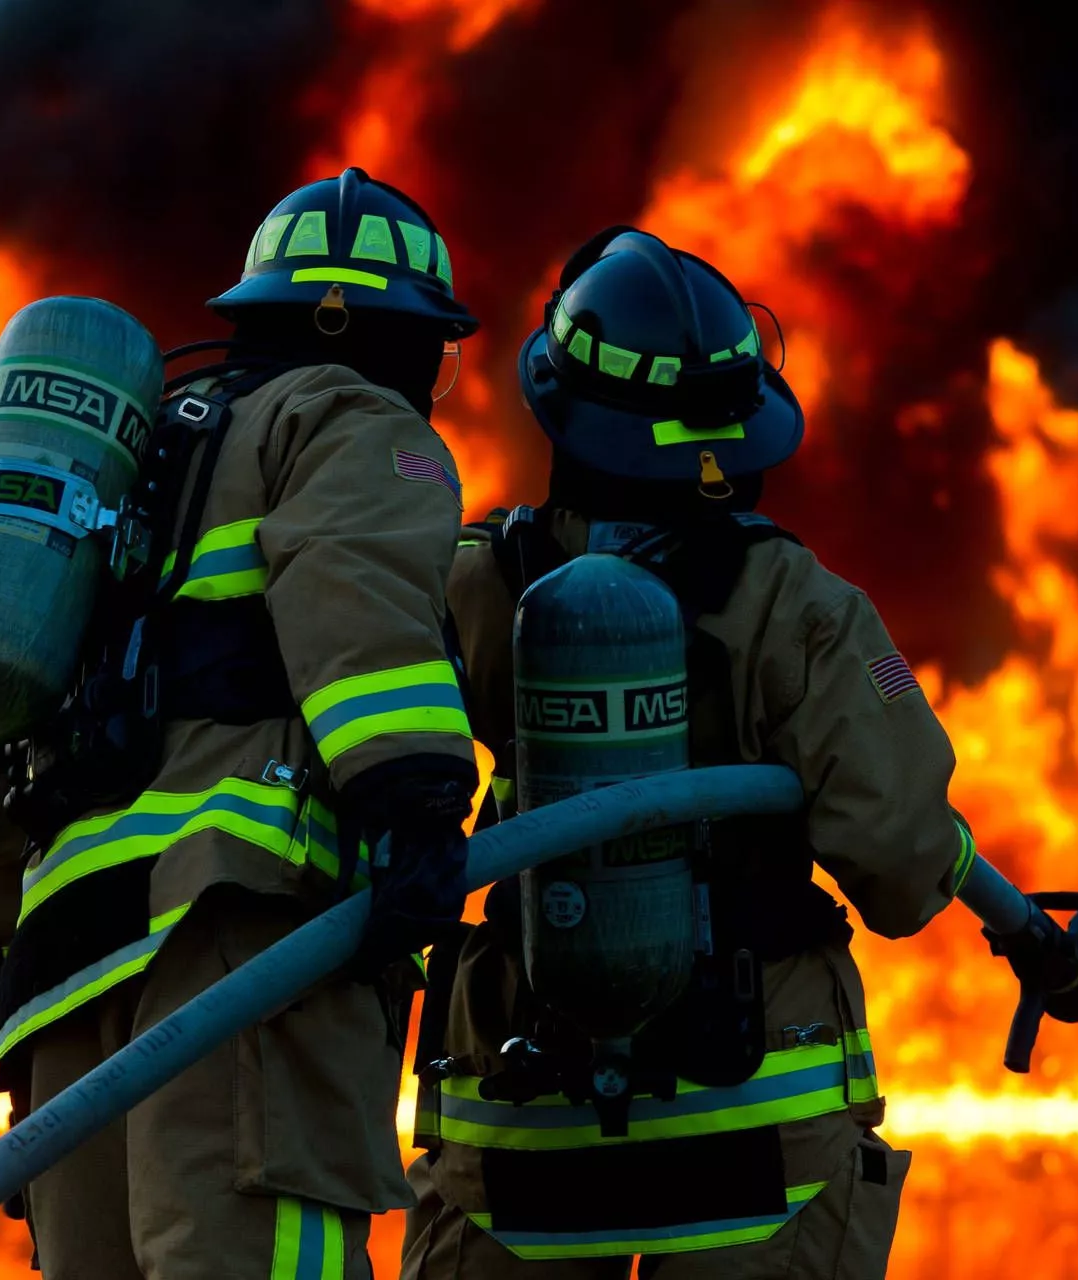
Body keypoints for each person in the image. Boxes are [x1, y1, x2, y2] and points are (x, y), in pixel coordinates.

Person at [402, 226, 982, 1278]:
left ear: (564, 415)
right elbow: (901, 864)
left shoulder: (476, 585)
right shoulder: (799, 606)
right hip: (756, 1128)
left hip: (528, 1134)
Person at [0, 167, 483, 1279]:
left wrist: (5, 953)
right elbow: (356, 598)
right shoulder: (346, 418)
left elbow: (11, 751)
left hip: (65, 962)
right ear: (402, 340)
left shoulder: (133, 466)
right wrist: (417, 801)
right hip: (235, 936)